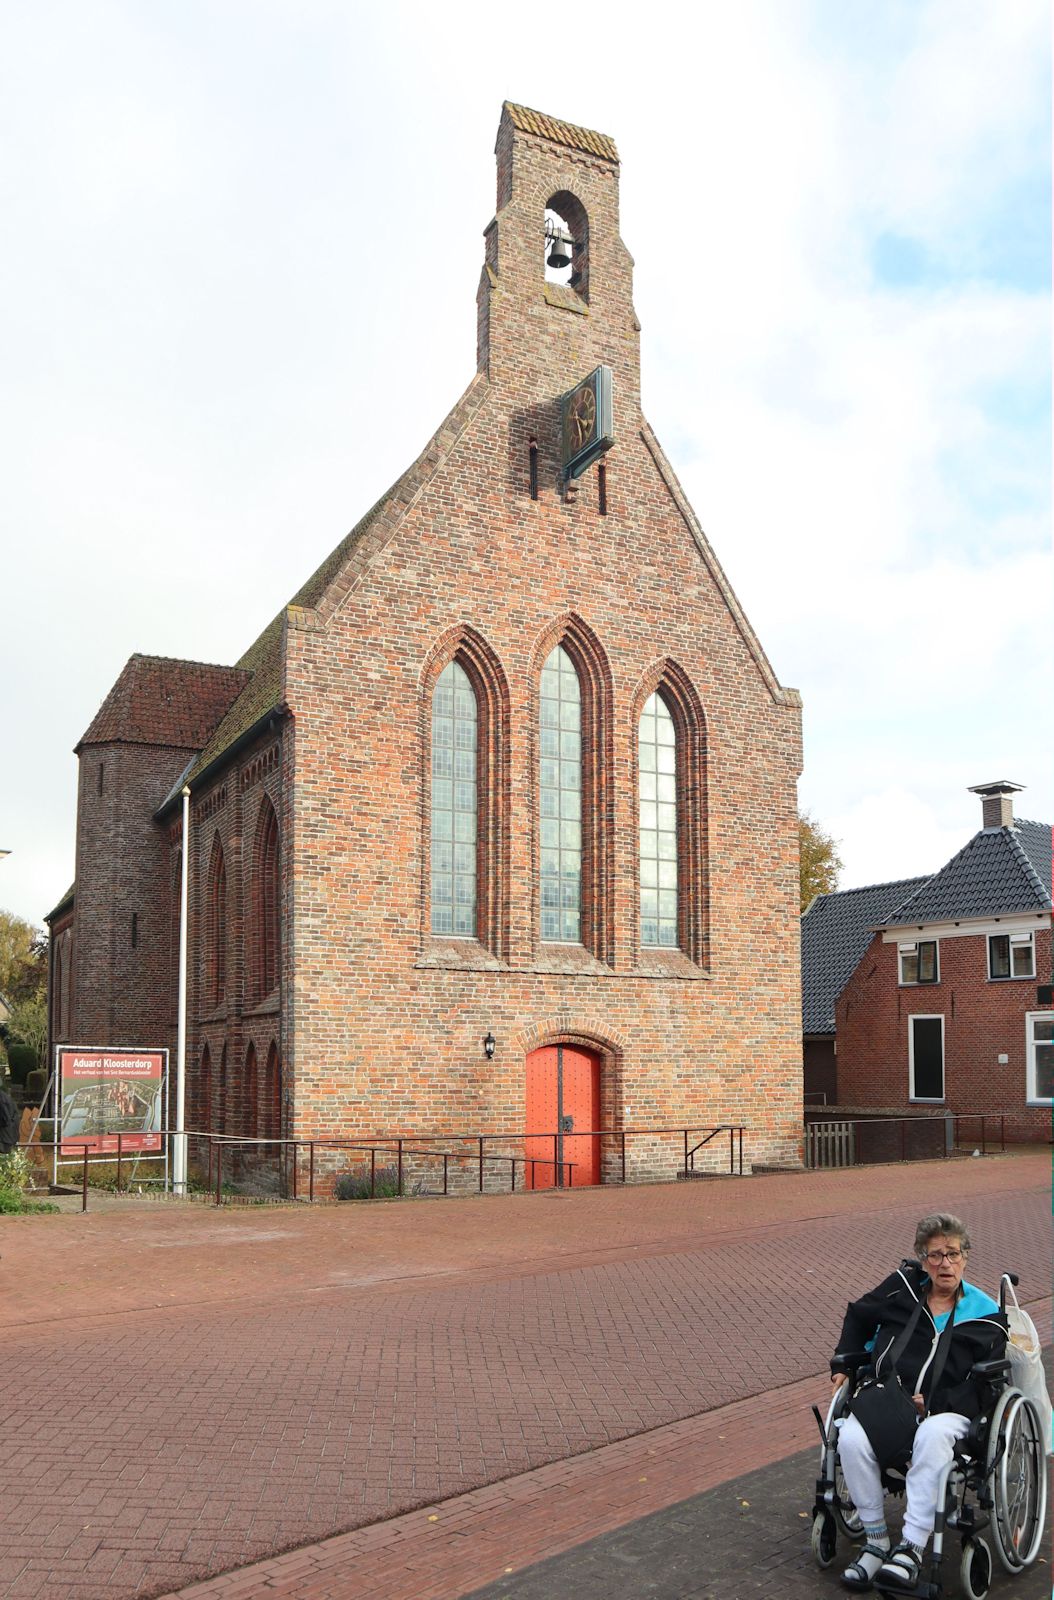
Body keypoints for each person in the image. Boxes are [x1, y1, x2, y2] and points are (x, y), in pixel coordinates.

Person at [830, 1212, 1007, 1592]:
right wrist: (843, 1361)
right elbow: (859, 1316)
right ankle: (876, 1541)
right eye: (936, 1255)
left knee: (931, 1434)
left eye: (953, 1254)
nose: (945, 1263)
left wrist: (934, 1403)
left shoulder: (985, 1314)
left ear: (966, 1257)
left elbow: (986, 1383)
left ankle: (911, 1546)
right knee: (851, 1438)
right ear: (923, 1259)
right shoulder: (902, 1289)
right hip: (890, 1401)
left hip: (951, 1411)